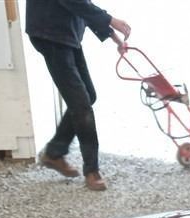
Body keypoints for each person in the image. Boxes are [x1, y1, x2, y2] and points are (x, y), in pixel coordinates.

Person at [25, 0, 131, 191]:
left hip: (65, 32)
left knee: (87, 96)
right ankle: (92, 171)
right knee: (81, 104)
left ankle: (54, 152)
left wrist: (113, 36)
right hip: (50, 33)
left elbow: (82, 4)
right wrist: (110, 20)